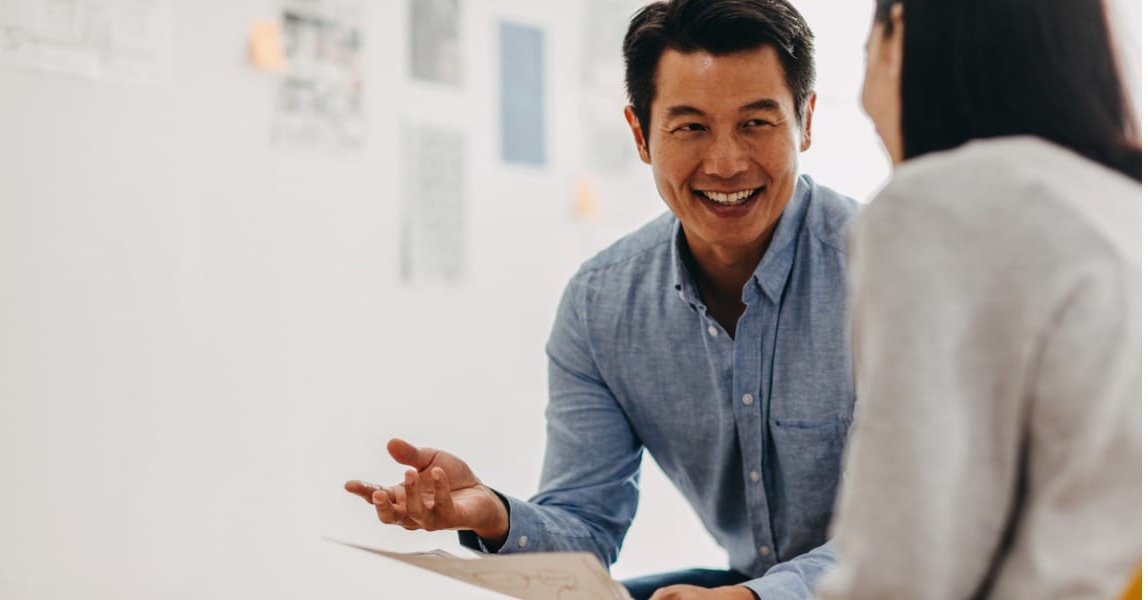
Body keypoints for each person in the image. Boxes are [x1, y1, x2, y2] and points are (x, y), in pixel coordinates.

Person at [346, 1, 859, 598]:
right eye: (690, 126)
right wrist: (494, 515)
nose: (725, 162)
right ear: (641, 135)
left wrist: (754, 597)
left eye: (756, 123)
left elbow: (917, 530)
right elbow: (586, 526)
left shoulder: (893, 277)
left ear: (807, 121)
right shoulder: (601, 307)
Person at [816, 0, 1141, 598]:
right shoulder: (1123, 205)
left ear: (901, 33)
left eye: (866, 52)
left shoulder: (938, 206)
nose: (867, 100)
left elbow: (907, 566)